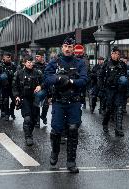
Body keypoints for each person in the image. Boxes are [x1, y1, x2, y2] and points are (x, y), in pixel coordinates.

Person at [44, 37, 88, 173]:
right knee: (56, 130)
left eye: (70, 47)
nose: (68, 49)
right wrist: (58, 78)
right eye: (65, 47)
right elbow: (46, 78)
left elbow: (85, 79)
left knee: (73, 130)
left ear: (73, 48)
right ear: (62, 48)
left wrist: (71, 82)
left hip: (74, 102)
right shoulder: (55, 62)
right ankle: (55, 152)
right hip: (59, 102)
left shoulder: (80, 63)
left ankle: (71, 162)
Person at [13, 56, 43, 146]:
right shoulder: (19, 73)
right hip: (24, 98)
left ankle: (29, 132)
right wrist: (16, 96)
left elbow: (44, 82)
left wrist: (40, 86)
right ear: (24, 63)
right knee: (27, 118)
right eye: (28, 62)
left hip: (35, 98)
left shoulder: (38, 72)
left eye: (31, 62)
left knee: (34, 120)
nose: (30, 64)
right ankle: (28, 137)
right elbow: (14, 86)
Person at [99, 46, 129, 137]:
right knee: (109, 109)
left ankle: (118, 128)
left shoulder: (122, 65)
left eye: (118, 54)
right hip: (109, 90)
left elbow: (126, 78)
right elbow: (100, 77)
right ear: (111, 54)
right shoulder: (106, 64)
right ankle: (105, 123)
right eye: (114, 53)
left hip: (119, 90)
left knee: (119, 109)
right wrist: (101, 89)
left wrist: (127, 90)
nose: (116, 55)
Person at [0, 52, 17, 121]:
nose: (9, 58)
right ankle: (6, 114)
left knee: (14, 100)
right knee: (5, 100)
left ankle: (11, 110)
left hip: (12, 86)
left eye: (10, 57)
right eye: (7, 57)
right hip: (3, 86)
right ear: (3, 57)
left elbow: (17, 75)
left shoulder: (13, 65)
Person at [34, 50, 48, 126]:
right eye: (36, 56)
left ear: (42, 57)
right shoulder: (34, 66)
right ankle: (37, 120)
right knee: (37, 102)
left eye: (38, 56)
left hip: (46, 87)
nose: (36, 58)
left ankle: (43, 116)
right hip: (37, 87)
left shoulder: (47, 66)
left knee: (46, 105)